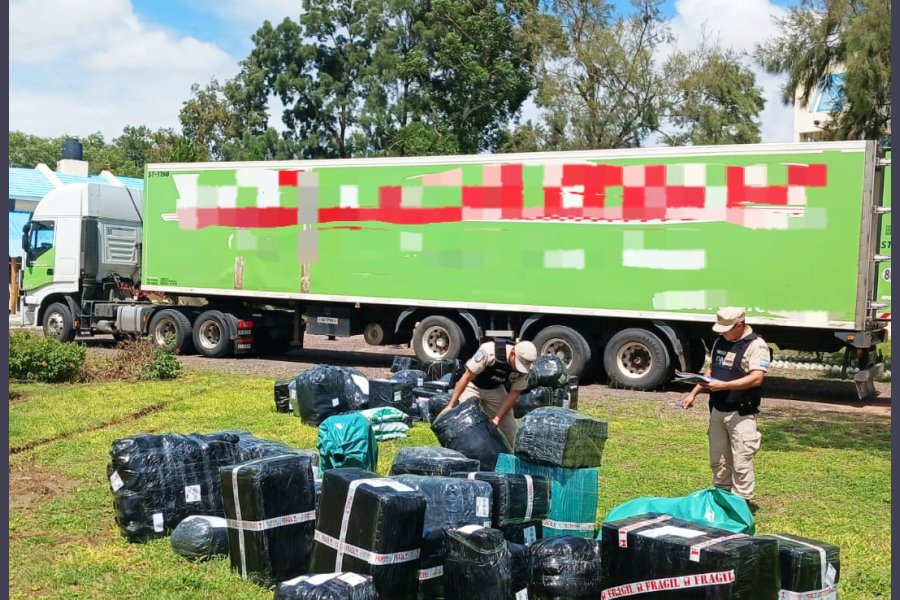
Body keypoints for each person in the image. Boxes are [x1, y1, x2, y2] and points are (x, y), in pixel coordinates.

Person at [682, 307, 770, 505]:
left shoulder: (757, 345)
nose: (722, 333)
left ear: (739, 325)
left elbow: (757, 378)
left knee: (742, 460)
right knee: (718, 459)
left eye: (726, 329)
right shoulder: (720, 341)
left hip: (742, 412)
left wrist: (724, 386)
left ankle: (741, 503)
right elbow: (712, 370)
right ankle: (721, 499)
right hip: (717, 410)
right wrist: (694, 393)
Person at [438, 339, 537, 446]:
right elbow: (466, 377)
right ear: (513, 353)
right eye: (518, 364)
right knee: (463, 418)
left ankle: (517, 454)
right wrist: (451, 405)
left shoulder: (525, 369)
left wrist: (497, 418)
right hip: (473, 385)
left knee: (510, 428)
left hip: (495, 388)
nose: (519, 369)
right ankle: (459, 448)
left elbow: (514, 394)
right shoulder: (489, 351)